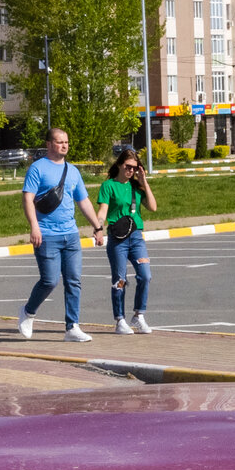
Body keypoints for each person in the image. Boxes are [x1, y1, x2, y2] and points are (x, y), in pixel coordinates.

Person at [17, 127, 102, 342]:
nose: (64, 145)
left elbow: (83, 201)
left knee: (73, 281)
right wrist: (34, 226)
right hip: (46, 235)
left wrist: (97, 227)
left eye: (66, 142)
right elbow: (28, 199)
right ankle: (28, 312)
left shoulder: (72, 171)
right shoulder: (38, 168)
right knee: (50, 280)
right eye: (59, 141)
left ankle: (72, 327)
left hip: (71, 235)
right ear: (48, 144)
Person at [97, 144, 156, 336]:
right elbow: (103, 210)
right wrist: (98, 227)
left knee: (145, 275)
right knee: (120, 280)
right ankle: (120, 320)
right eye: (128, 167)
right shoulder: (108, 186)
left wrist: (144, 181)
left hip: (136, 236)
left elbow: (153, 207)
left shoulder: (136, 187)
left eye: (134, 167)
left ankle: (139, 315)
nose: (131, 170)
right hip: (118, 239)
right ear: (120, 165)